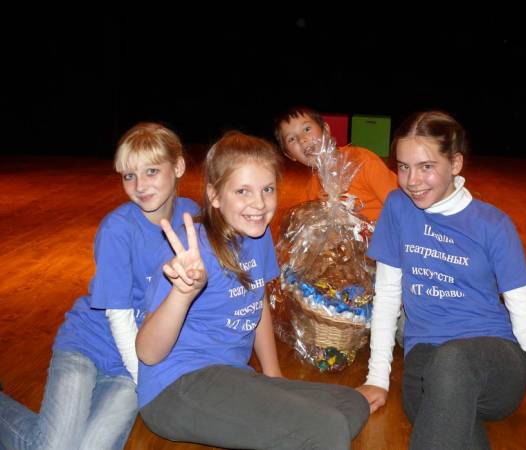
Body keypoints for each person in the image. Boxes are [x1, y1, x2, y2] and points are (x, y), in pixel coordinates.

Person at [356, 111, 526, 449]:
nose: (412, 181)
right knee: (446, 409)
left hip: (494, 361)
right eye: (404, 167)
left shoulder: (493, 225)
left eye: (426, 166)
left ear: (455, 163)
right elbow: (388, 293)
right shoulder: (398, 207)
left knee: (452, 362)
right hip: (426, 356)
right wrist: (377, 378)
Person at [136, 131, 370, 450]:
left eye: (267, 189)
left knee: (351, 405)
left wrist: (273, 375)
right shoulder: (192, 253)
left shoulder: (256, 237)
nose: (259, 204)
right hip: (176, 388)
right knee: (326, 428)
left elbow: (257, 301)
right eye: (242, 191)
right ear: (214, 195)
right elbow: (148, 354)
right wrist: (183, 293)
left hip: (233, 375)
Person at [0, 122, 199, 450]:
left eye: (151, 171)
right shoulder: (117, 229)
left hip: (132, 359)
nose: (140, 185)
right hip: (88, 345)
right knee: (53, 447)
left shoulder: (193, 217)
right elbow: (118, 318)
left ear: (177, 167)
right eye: (129, 175)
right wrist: (146, 380)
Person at [274, 106, 397, 222]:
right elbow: (307, 218)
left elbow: (399, 203)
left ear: (326, 130)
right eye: (291, 139)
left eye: (307, 129)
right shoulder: (313, 188)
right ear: (290, 155)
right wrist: (318, 207)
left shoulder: (363, 162)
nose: (302, 139)